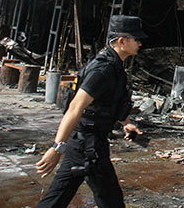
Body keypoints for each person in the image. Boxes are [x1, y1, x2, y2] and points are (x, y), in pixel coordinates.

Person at [34, 15, 146, 208]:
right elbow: (75, 108)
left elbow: (107, 102)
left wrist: (124, 121)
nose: (140, 43)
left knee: (59, 198)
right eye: (136, 39)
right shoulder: (102, 70)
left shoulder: (116, 66)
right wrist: (56, 148)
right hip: (87, 144)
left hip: (88, 143)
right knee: (110, 200)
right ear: (122, 41)